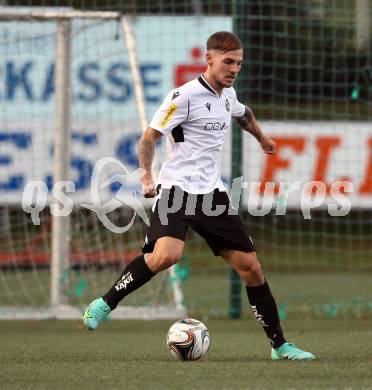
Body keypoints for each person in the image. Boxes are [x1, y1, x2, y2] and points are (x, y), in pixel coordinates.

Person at [83, 31, 315, 361]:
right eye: (228, 62)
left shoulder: (228, 96)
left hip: (212, 195)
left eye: (239, 63)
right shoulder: (183, 96)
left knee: (251, 268)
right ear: (209, 59)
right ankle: (106, 302)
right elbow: (149, 138)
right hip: (176, 190)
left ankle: (280, 346)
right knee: (166, 256)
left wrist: (262, 138)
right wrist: (147, 175)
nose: (234, 68)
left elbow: (244, 114)